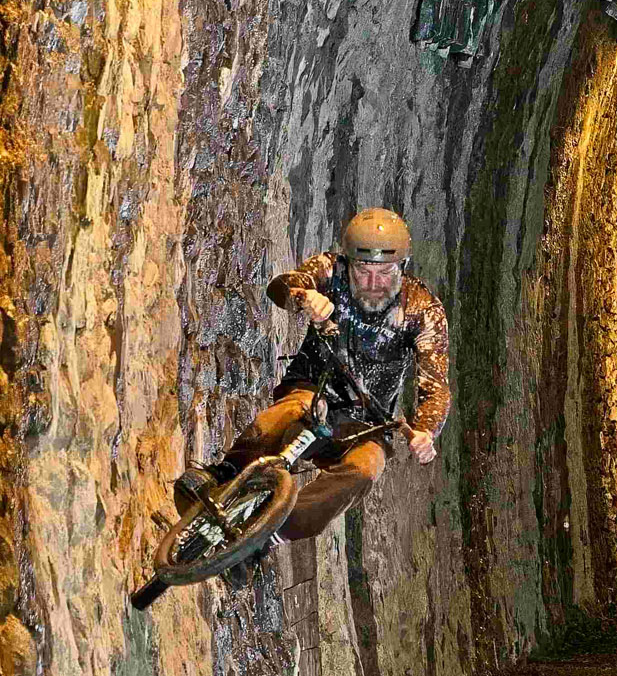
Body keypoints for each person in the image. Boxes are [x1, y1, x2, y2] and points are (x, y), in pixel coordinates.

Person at [175, 208, 450, 544]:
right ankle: (225, 475)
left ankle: (267, 536)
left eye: (385, 272)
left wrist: (426, 431)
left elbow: (435, 384)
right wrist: (304, 297)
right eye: (363, 271)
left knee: (364, 471)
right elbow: (284, 286)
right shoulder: (330, 270)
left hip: (369, 421)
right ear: (349, 264)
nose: (374, 283)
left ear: (402, 268)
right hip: (314, 385)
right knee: (296, 411)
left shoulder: (422, 310)